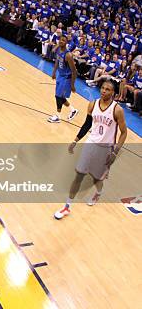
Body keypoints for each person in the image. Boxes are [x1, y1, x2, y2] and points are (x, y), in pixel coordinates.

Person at [54, 80, 127, 220]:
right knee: (79, 174)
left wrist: (115, 152)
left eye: (108, 89)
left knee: (96, 178)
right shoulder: (93, 104)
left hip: (106, 148)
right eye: (103, 88)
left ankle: (99, 192)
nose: (104, 91)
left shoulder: (117, 110)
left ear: (113, 93)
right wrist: (75, 140)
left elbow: (123, 132)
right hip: (91, 143)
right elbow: (87, 124)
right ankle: (67, 206)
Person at [48, 35, 78, 123]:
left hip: (66, 78)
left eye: (63, 40)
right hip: (60, 75)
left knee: (58, 96)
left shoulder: (68, 55)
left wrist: (72, 85)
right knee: (60, 96)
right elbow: (57, 61)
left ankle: (58, 116)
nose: (61, 41)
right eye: (60, 40)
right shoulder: (58, 50)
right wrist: (54, 72)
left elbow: (74, 71)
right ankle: (73, 110)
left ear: (66, 43)